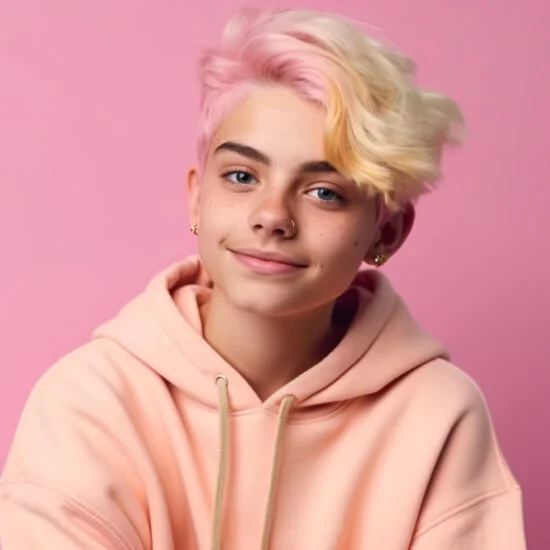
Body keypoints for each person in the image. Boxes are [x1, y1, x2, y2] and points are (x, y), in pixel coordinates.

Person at [0, 7, 526, 549]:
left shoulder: (439, 414)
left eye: (325, 191)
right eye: (241, 176)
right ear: (197, 198)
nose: (272, 215)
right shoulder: (91, 401)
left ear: (386, 232)